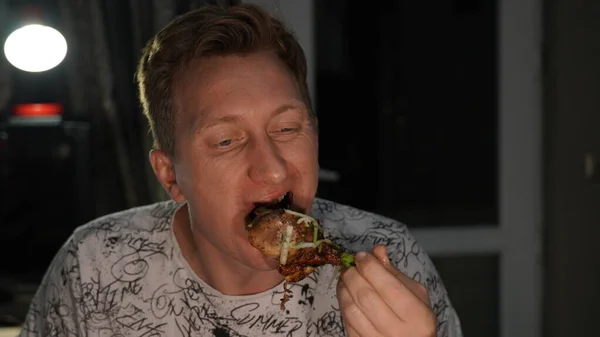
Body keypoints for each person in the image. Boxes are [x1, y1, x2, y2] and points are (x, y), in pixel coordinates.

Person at [18, 3, 462, 337]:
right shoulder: (94, 265)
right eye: (226, 140)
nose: (271, 172)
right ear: (170, 175)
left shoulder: (391, 256)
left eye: (287, 128)